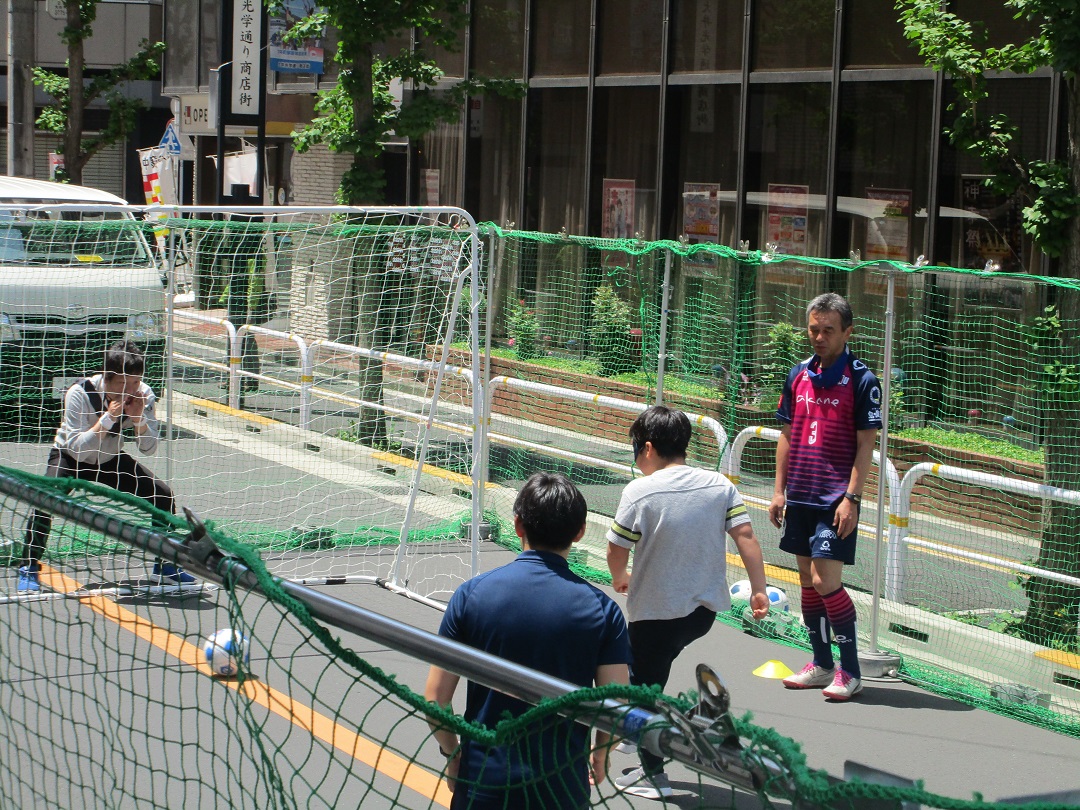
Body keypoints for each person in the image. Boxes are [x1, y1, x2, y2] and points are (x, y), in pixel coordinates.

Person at [424, 473, 632, 810]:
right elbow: (616, 704)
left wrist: (453, 754)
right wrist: (599, 756)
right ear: (579, 532)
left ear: (518, 524)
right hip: (560, 785)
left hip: (483, 780)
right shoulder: (603, 611)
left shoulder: (471, 595)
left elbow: (435, 698)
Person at [606, 405, 769, 800]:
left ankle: (656, 770)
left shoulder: (639, 491)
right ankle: (640, 731)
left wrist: (619, 578)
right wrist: (759, 589)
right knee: (645, 669)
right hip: (703, 612)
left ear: (646, 448)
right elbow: (746, 536)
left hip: (657, 612)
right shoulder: (718, 484)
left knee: (644, 686)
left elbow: (616, 548)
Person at [768, 293, 882, 701]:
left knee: (825, 580)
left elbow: (866, 445)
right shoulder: (798, 374)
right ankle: (820, 664)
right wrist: (779, 491)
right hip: (799, 494)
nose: (818, 337)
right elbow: (786, 434)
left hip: (836, 500)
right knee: (806, 581)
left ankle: (849, 671)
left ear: (847, 332)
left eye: (828, 330)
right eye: (813, 329)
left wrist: (852, 497)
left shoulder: (863, 380)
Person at [17, 340, 196, 592]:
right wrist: (109, 418)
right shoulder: (79, 393)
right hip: (70, 456)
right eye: (122, 384)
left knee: (161, 494)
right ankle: (29, 565)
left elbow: (149, 448)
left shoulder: (144, 395)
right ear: (106, 377)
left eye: (135, 382)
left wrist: (138, 421)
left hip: (109, 458)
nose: (130, 390)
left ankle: (165, 565)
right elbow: (77, 449)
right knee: (45, 498)